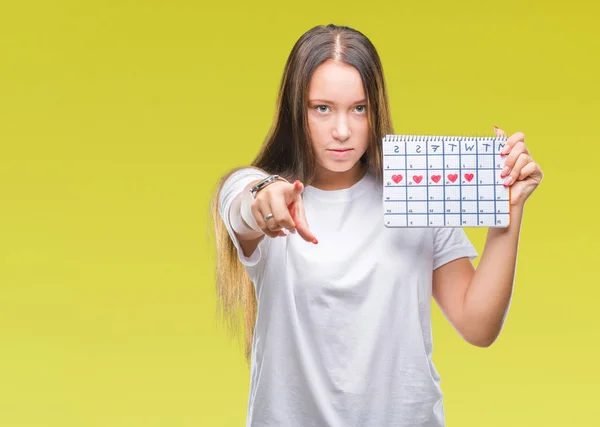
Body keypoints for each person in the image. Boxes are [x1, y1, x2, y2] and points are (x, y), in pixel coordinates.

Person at [210, 23, 543, 427]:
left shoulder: (417, 189)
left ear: (376, 110)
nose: (342, 130)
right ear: (296, 110)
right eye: (322, 108)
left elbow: (478, 324)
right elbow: (245, 207)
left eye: (359, 108)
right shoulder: (250, 185)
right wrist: (265, 199)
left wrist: (506, 212)